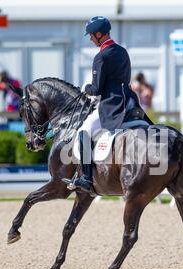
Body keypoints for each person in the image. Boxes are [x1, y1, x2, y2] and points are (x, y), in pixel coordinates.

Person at [63, 16, 151, 195]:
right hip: (130, 100)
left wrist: (86, 88)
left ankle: (86, 178)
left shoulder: (101, 56)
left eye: (91, 36)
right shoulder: (122, 51)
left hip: (112, 104)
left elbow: (96, 89)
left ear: (98, 34)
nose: (90, 39)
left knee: (84, 132)